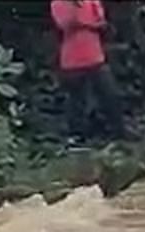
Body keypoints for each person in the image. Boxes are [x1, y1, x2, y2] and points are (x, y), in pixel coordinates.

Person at [50, 0, 124, 144]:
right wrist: (84, 19)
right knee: (77, 100)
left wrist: (84, 23)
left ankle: (118, 131)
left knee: (110, 94)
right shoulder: (59, 2)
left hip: (95, 56)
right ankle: (77, 136)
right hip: (72, 59)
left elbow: (101, 23)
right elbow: (66, 24)